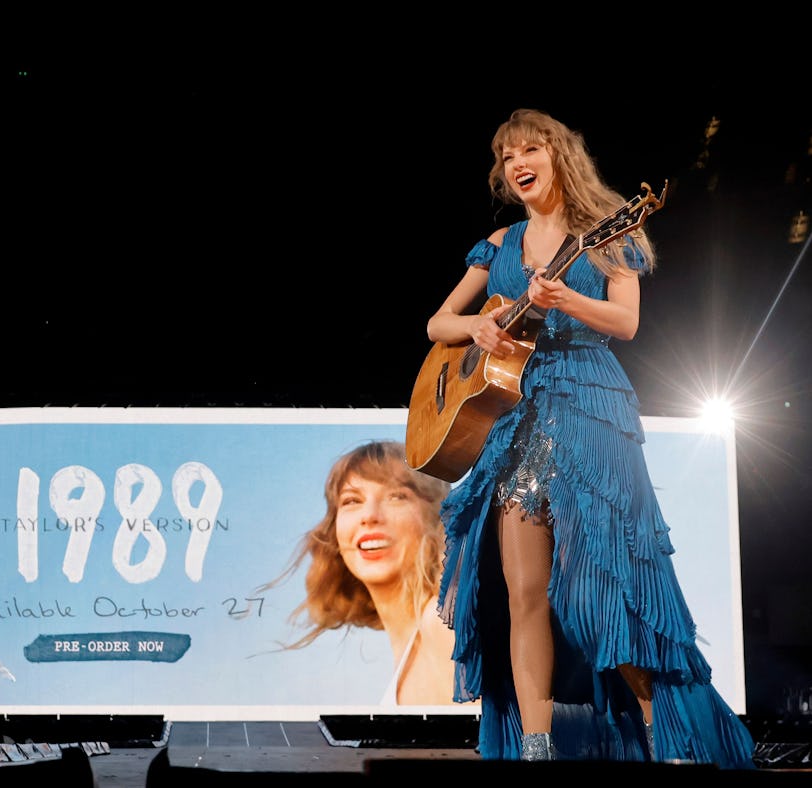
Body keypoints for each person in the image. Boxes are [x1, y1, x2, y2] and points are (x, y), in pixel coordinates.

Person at [423, 108, 756, 765]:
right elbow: (438, 323)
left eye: (530, 149)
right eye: (507, 155)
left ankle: (666, 738)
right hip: (515, 418)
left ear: (559, 155)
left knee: (607, 586)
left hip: (591, 412)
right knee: (523, 591)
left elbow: (626, 323)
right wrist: (477, 328)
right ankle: (537, 747)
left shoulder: (608, 230)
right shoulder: (500, 243)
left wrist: (567, 301)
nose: (518, 163)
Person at [256, 439, 470, 707]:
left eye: (396, 496)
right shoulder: (418, 642)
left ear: (436, 516)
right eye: (351, 500)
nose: (369, 515)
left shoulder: (443, 624)